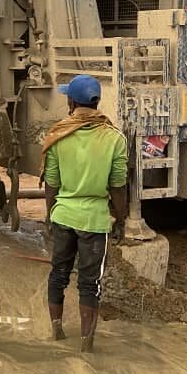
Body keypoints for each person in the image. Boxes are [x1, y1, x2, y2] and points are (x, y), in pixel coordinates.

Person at [43, 74, 128, 353]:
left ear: (71, 101)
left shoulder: (57, 134)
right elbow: (118, 186)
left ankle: (56, 331)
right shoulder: (114, 138)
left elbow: (52, 184)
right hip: (94, 220)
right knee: (90, 284)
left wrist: (50, 215)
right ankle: (86, 344)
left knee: (58, 274)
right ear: (96, 102)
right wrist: (121, 219)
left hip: (64, 215)